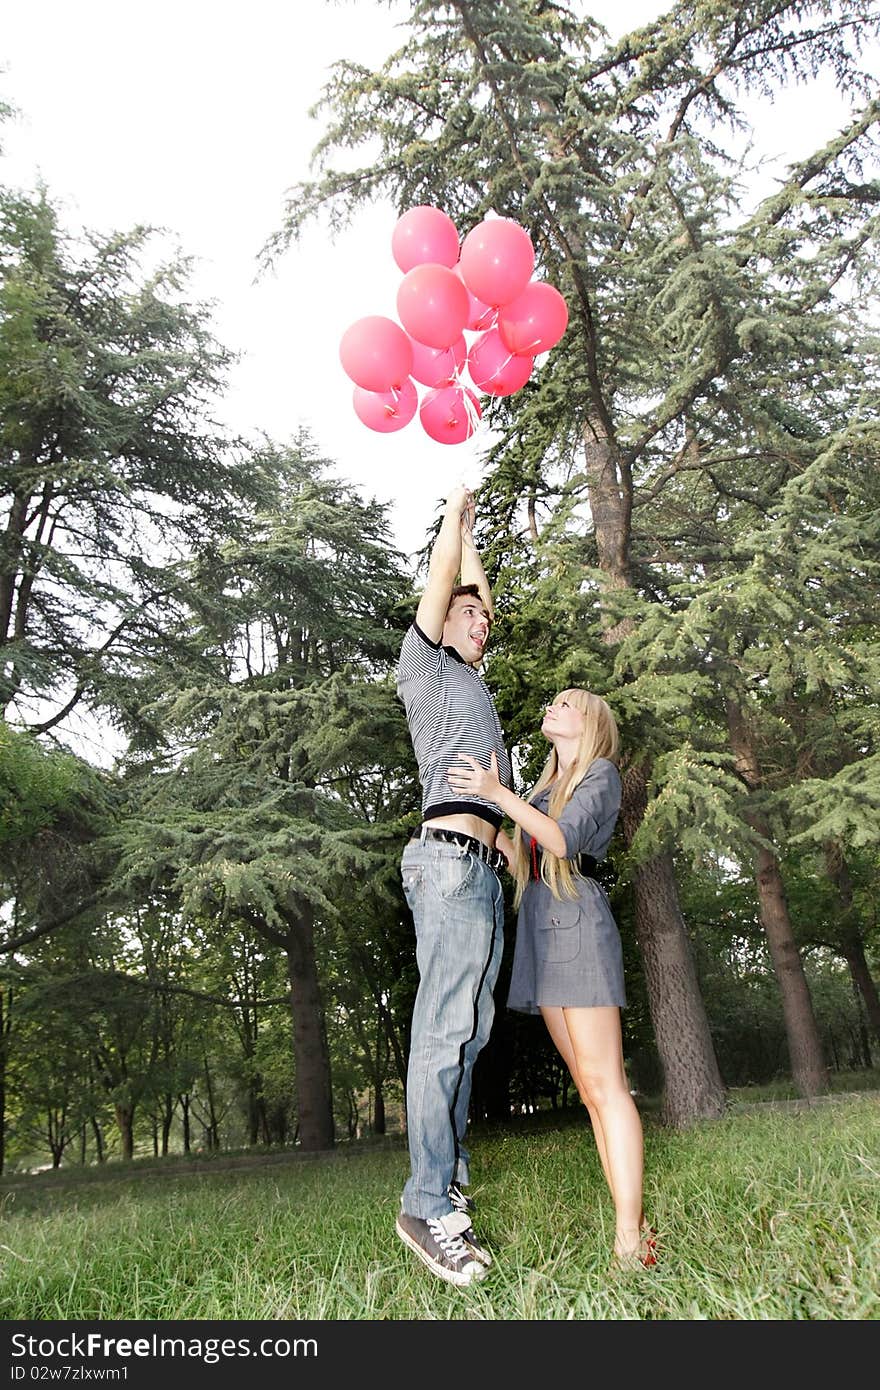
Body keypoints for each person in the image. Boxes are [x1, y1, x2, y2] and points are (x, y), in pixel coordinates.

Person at [447, 688, 657, 1269]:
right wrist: (477, 832)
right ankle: (633, 1227)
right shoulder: (541, 789)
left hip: (579, 924)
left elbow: (561, 840)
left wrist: (496, 792)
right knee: (589, 1092)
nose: (552, 706)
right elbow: (527, 859)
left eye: (566, 703)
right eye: (553, 702)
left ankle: (629, 1241)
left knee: (607, 1086)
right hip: (543, 924)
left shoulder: (602, 774)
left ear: (589, 723)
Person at [395, 483, 513, 1288]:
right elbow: (448, 585)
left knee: (469, 1036)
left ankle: (447, 1185)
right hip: (445, 858)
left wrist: (472, 536)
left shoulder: (475, 681)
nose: (480, 621)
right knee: (444, 1034)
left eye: (483, 618)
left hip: (484, 871)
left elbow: (476, 592)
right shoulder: (425, 668)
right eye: (467, 616)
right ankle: (424, 1202)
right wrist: (451, 521)